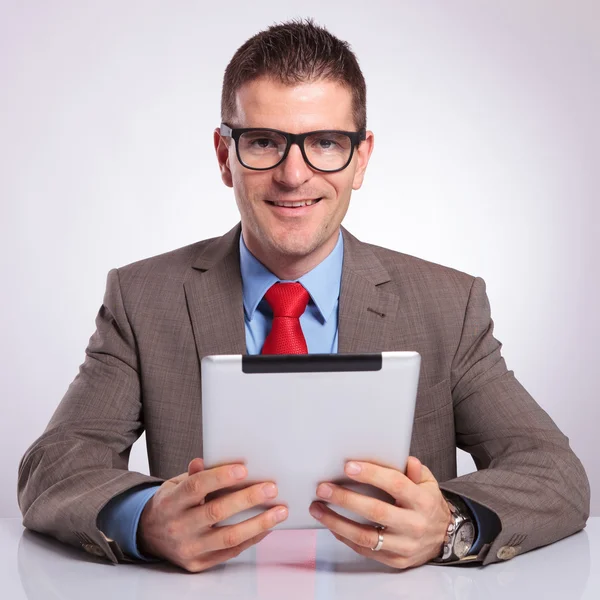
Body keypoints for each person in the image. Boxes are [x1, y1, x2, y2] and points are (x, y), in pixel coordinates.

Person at [18, 19, 589, 573]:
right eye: (264, 141)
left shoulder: (449, 304)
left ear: (360, 158)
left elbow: (554, 474)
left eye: (324, 142)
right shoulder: (144, 299)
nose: (295, 175)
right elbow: (55, 466)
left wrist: (450, 525)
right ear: (225, 157)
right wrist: (144, 520)